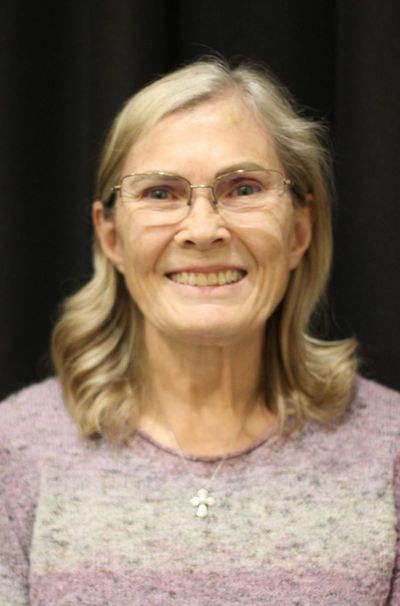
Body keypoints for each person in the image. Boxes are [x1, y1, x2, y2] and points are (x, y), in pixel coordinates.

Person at [0, 57, 399, 606]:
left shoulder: (390, 451)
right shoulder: (14, 451)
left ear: (299, 231)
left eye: (243, 188)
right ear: (111, 237)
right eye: (160, 193)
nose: (204, 230)